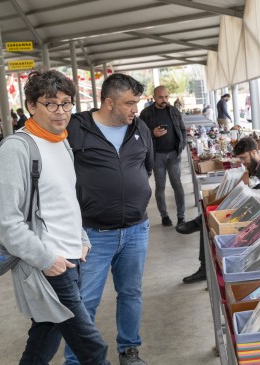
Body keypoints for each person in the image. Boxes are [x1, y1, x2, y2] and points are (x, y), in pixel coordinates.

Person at [0, 70, 110, 364]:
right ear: (32, 106)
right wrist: (47, 260)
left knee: (44, 338)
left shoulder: (61, 141)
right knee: (91, 347)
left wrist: (81, 239)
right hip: (48, 264)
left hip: (71, 258)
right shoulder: (18, 148)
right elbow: (5, 219)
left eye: (67, 103)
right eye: (51, 104)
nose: (61, 112)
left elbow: (66, 200)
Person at [64, 73, 153, 365]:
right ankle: (77, 358)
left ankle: (129, 349)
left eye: (136, 103)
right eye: (129, 103)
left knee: (130, 293)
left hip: (136, 230)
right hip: (93, 234)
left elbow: (146, 167)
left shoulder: (139, 127)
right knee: (85, 300)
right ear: (109, 102)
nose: (134, 109)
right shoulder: (77, 128)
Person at [176, 136, 260, 283]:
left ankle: (203, 262)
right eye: (240, 159)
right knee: (211, 218)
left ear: (253, 152)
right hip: (247, 207)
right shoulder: (253, 166)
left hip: (258, 217)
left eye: (244, 158)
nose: (243, 163)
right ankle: (203, 264)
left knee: (210, 221)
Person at [140, 85, 186, 227]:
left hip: (173, 154)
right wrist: (152, 133)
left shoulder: (174, 111)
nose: (164, 99)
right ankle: (164, 216)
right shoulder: (146, 113)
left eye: (166, 96)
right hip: (157, 155)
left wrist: (181, 146)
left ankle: (181, 216)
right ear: (154, 97)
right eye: (161, 97)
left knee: (177, 185)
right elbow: (140, 134)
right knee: (160, 187)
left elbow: (183, 130)